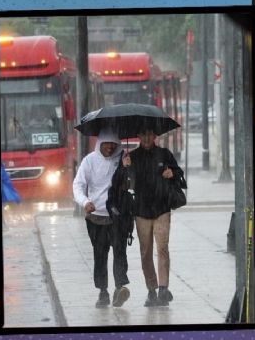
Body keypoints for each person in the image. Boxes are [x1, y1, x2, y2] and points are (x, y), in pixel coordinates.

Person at [72, 128, 131, 308]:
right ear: (100, 144)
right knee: (100, 255)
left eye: (114, 144)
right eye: (107, 144)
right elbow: (78, 185)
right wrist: (85, 202)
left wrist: (128, 168)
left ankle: (119, 287)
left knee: (120, 252)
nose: (110, 148)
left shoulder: (124, 160)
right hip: (96, 218)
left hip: (118, 217)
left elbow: (132, 184)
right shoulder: (89, 161)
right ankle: (103, 291)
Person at [127, 128, 185, 307]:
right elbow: (124, 183)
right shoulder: (132, 157)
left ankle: (163, 288)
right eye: (143, 134)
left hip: (162, 209)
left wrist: (172, 173)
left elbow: (179, 173)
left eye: (149, 134)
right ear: (138, 136)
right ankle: (151, 290)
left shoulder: (164, 154)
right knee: (145, 253)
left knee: (162, 249)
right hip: (141, 211)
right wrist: (125, 167)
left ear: (154, 136)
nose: (146, 137)